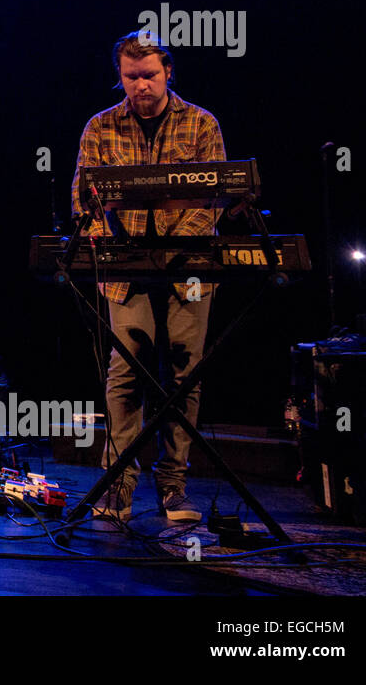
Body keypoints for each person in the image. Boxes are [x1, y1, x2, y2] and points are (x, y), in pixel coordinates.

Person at [70, 30, 226, 522]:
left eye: (150, 76)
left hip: (190, 268)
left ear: (168, 72)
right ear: (119, 76)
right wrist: (106, 253)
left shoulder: (202, 123)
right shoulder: (100, 127)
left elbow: (214, 197)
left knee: (185, 372)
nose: (140, 86)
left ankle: (174, 485)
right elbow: (84, 200)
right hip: (125, 266)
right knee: (126, 373)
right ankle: (118, 485)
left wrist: (173, 254)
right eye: (131, 76)